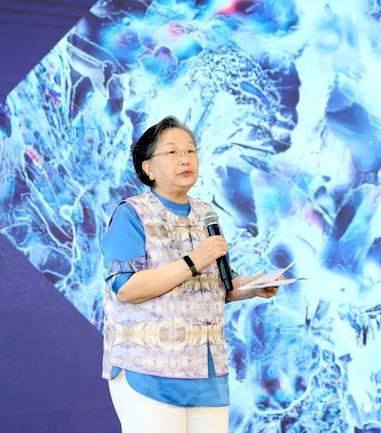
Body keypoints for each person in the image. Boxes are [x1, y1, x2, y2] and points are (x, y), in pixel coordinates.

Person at [100, 115, 279, 433]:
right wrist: (193, 260)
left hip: (207, 374)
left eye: (191, 151)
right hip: (150, 373)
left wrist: (250, 287)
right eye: (172, 152)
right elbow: (126, 288)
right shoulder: (132, 214)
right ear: (148, 168)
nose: (185, 159)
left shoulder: (205, 214)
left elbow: (217, 285)